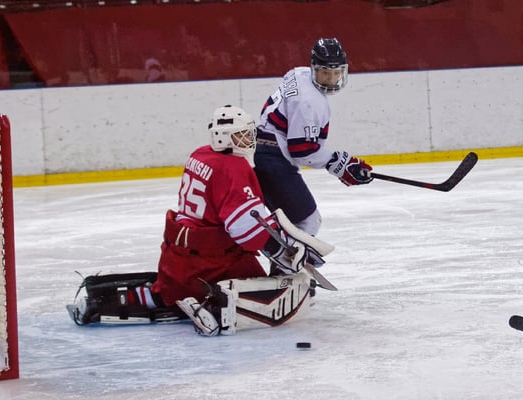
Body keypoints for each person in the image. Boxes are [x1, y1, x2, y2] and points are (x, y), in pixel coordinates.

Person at [68, 105, 332, 336]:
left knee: (165, 293)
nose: (249, 140)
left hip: (176, 256)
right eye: (242, 135)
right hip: (212, 262)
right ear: (223, 137)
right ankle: (211, 308)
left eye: (249, 133)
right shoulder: (233, 168)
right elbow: (246, 229)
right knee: (268, 290)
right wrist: (283, 251)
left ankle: (106, 300)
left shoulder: (201, 154)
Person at [254, 37, 373, 236]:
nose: (331, 78)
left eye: (336, 72)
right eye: (325, 72)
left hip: (260, 148)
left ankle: (284, 265)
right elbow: (302, 151)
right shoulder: (311, 102)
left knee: (285, 220)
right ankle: (286, 267)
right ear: (314, 68)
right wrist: (339, 164)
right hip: (273, 160)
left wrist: (339, 164)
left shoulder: (298, 73)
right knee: (307, 222)